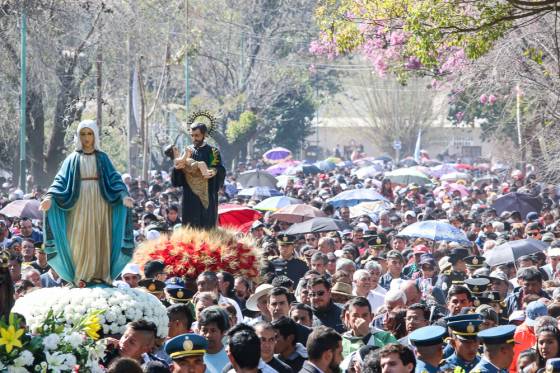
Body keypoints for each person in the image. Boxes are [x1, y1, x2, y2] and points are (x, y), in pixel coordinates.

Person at [40, 120, 134, 286]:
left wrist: (123, 195)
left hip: (100, 202)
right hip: (79, 203)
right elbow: (60, 181)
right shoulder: (73, 159)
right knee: (78, 237)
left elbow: (114, 179)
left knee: (100, 235)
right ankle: (80, 275)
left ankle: (101, 274)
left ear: (95, 135)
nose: (86, 138)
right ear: (79, 136)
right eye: (83, 134)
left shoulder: (102, 158)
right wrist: (50, 197)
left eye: (89, 133)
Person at [170, 121, 226, 229]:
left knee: (207, 227)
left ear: (204, 135)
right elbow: (178, 174)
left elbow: (220, 169)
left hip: (207, 194)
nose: (194, 138)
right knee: (190, 227)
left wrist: (213, 172)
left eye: (197, 135)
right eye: (192, 135)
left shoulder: (213, 151)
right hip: (189, 196)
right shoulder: (187, 151)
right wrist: (178, 169)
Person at [198, 306, 229, 373]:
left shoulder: (232, 357)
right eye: (204, 330)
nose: (208, 335)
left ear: (223, 333)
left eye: (213, 330)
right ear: (198, 331)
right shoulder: (193, 357)